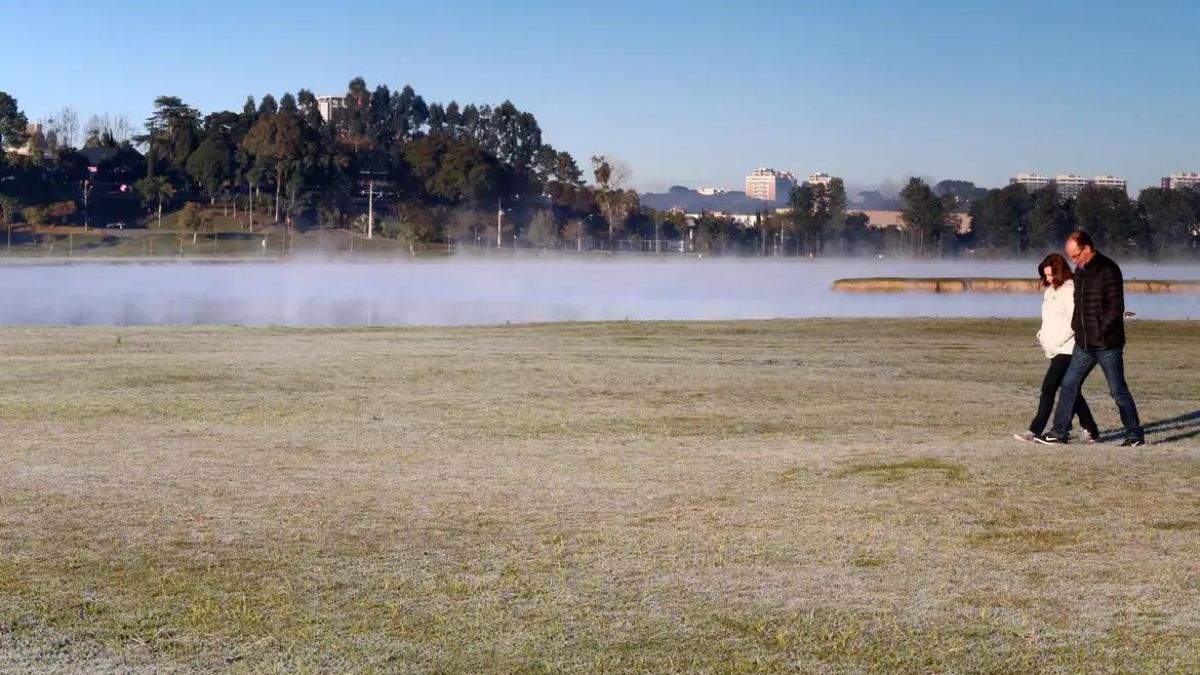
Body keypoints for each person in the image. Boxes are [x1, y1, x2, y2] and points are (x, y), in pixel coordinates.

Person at [1037, 230, 1145, 446]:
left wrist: (1098, 330)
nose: (1073, 260)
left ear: (1087, 249)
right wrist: (1078, 326)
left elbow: (1115, 309)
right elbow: (1078, 306)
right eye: (1070, 257)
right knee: (1068, 385)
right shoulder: (1081, 271)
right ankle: (1060, 432)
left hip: (1107, 344)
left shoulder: (1109, 269)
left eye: (1076, 255)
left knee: (1118, 391)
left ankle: (1134, 435)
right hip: (1083, 344)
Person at [1015, 253, 1100, 444]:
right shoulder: (1050, 291)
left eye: (1051, 275)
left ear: (1060, 272)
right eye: (1045, 275)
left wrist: (1058, 341)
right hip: (1054, 349)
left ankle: (1034, 430)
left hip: (1068, 349)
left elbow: (1075, 320)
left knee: (1048, 388)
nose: (1048, 279)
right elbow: (1050, 319)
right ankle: (1090, 429)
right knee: (1070, 390)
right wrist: (1043, 336)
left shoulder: (1069, 290)